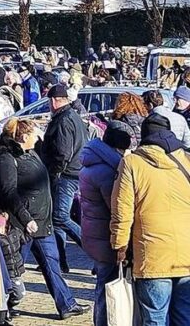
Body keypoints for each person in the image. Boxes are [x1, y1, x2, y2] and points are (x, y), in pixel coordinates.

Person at [0, 118, 90, 319]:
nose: (38, 138)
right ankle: (3, 308)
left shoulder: (32, 152)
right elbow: (8, 192)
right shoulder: (7, 159)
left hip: (42, 222)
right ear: (24, 137)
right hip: (21, 224)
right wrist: (26, 219)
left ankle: (66, 304)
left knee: (52, 264)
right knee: (13, 270)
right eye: (34, 134)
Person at [111, 114, 190, 326]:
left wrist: (119, 245)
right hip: (186, 254)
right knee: (184, 316)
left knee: (154, 318)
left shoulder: (131, 163)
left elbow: (122, 211)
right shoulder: (187, 160)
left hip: (152, 255)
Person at [78, 121, 134, 326]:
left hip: (95, 233)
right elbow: (117, 207)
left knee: (102, 285)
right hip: (106, 237)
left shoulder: (93, 163)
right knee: (107, 288)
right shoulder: (107, 172)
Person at [40, 84, 88, 273]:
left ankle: (93, 249)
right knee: (56, 218)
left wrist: (55, 172)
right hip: (70, 172)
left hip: (65, 175)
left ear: (54, 101)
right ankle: (59, 260)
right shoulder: (70, 116)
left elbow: (63, 152)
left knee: (60, 217)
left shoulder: (64, 120)